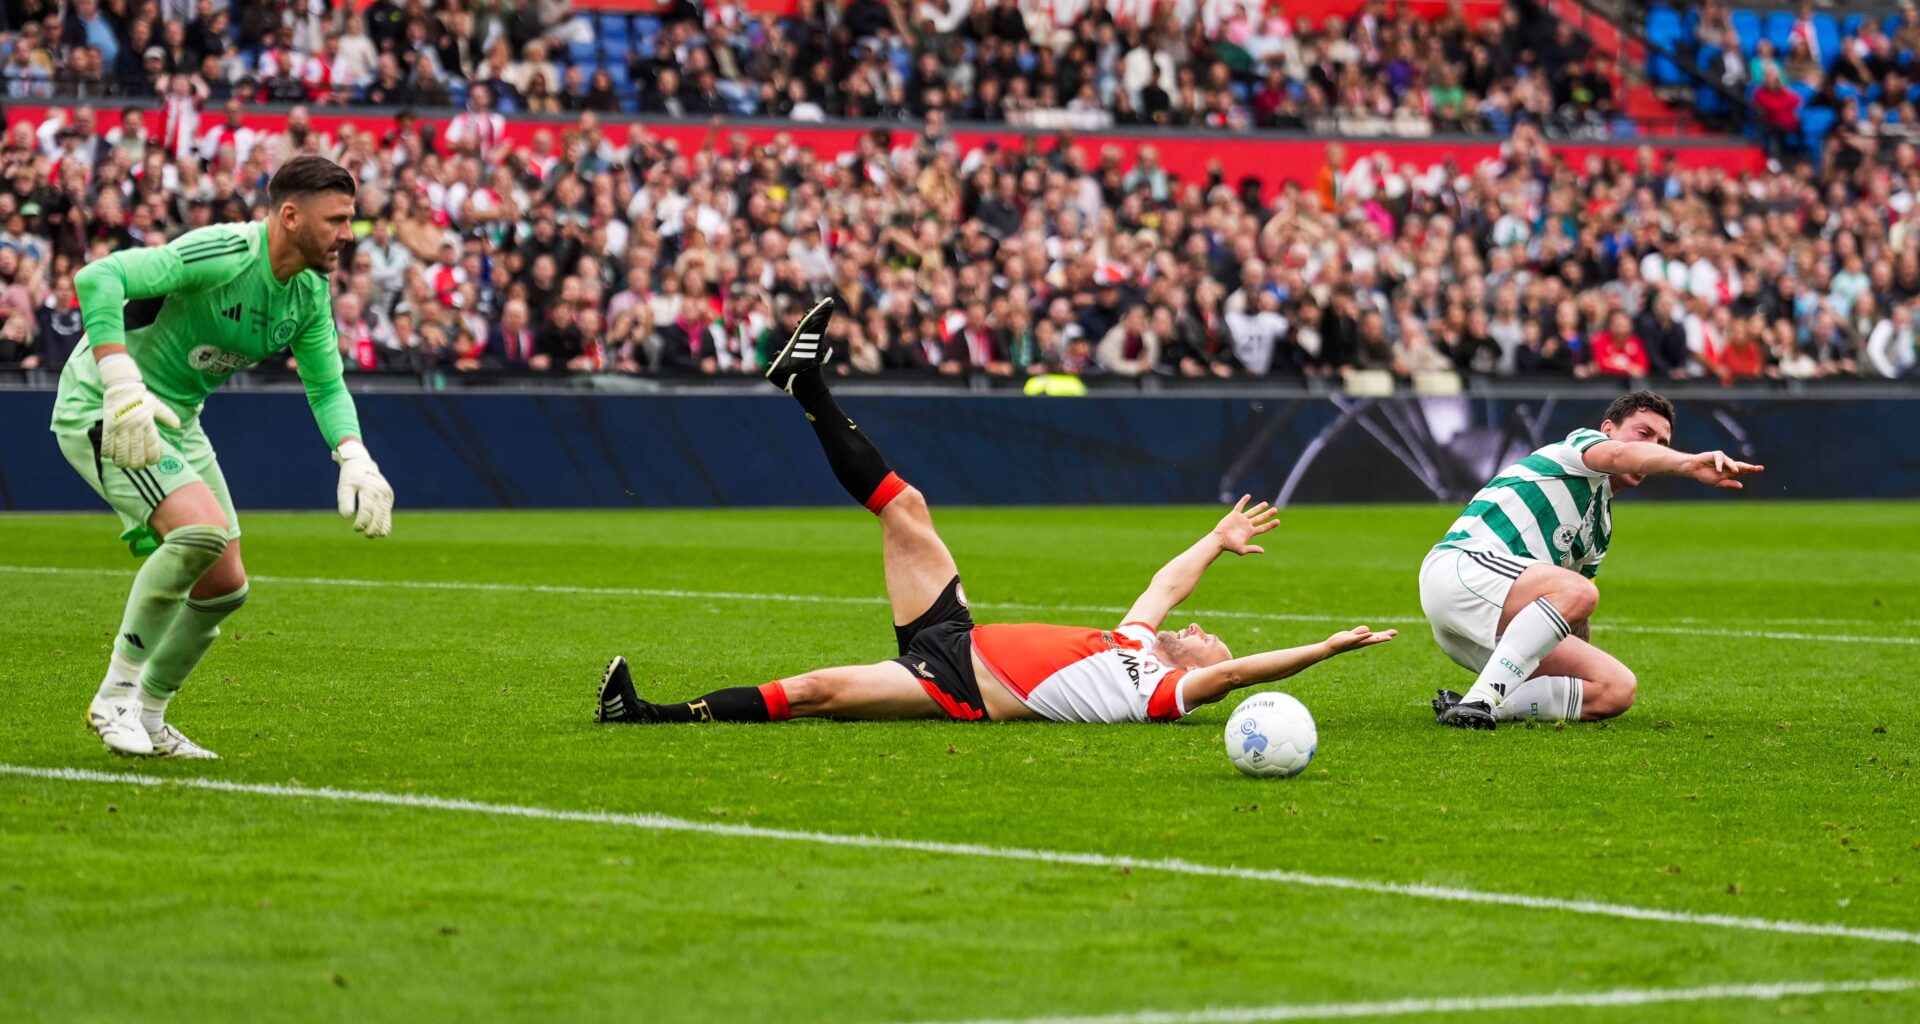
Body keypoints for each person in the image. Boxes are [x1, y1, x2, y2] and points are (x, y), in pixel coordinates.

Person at [596, 299, 1394, 726]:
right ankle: (806, 386)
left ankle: (649, 715)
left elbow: (1241, 671)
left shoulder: (1161, 695)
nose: (1202, 632)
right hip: (956, 632)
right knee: (906, 507)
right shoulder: (1134, 645)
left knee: (815, 692)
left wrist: (1321, 650)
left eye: (1207, 644)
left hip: (952, 684)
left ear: (1198, 672)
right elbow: (1166, 586)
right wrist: (1217, 540)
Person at [50, 155, 396, 759]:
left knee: (225, 586)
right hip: (107, 404)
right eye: (337, 219)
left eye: (352, 219)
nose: (349, 234)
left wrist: (354, 456)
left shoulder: (309, 293)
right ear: (290, 216)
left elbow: (326, 384)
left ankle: (152, 718)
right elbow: (98, 279)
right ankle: (114, 699)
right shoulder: (224, 253)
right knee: (201, 533)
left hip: (177, 421)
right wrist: (119, 378)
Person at [1420, 391, 1762, 730]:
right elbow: (1621, 455)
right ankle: (1483, 698)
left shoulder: (1601, 528)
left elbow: (1573, 621)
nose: (1655, 446)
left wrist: (1574, 670)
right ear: (1608, 429)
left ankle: (1480, 706)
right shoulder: (1581, 447)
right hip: (1461, 571)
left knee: (1615, 688)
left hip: (1492, 619)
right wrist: (1687, 464)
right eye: (1645, 434)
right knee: (1580, 591)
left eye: (1663, 441)